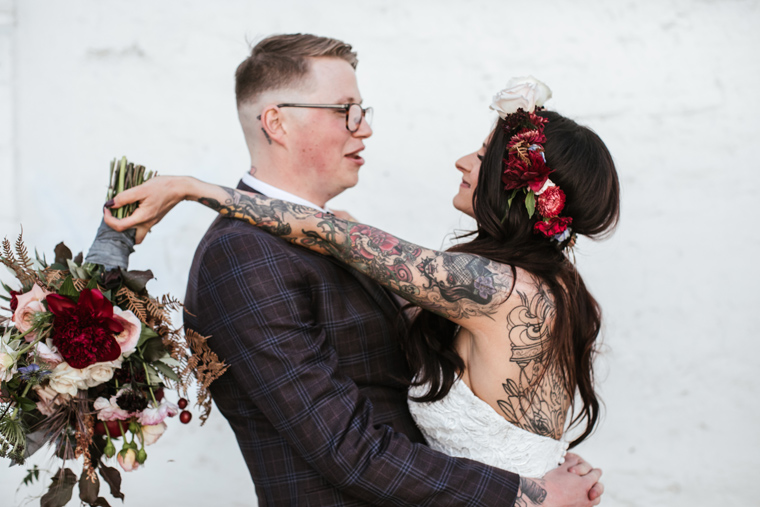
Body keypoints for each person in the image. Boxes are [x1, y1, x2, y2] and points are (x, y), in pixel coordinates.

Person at [106, 34, 606, 506]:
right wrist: (521, 491)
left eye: (362, 111)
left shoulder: (396, 256)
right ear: (276, 123)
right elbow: (347, 448)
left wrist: (528, 459)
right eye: (346, 111)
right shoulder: (243, 253)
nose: (364, 126)